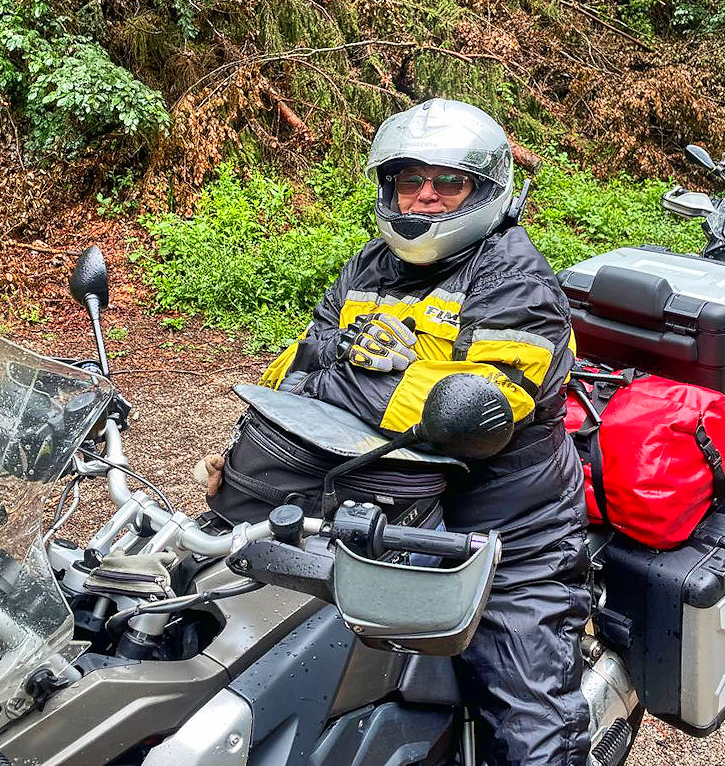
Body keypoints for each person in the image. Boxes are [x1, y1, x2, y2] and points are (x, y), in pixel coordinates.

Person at [201, 98, 592, 765]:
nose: (425, 197)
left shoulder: (517, 281)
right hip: (379, 502)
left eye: (449, 183)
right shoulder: (370, 265)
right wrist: (373, 379)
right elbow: (292, 368)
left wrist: (361, 374)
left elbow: (469, 417)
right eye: (410, 180)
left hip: (502, 527)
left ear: (485, 190)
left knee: (529, 727)